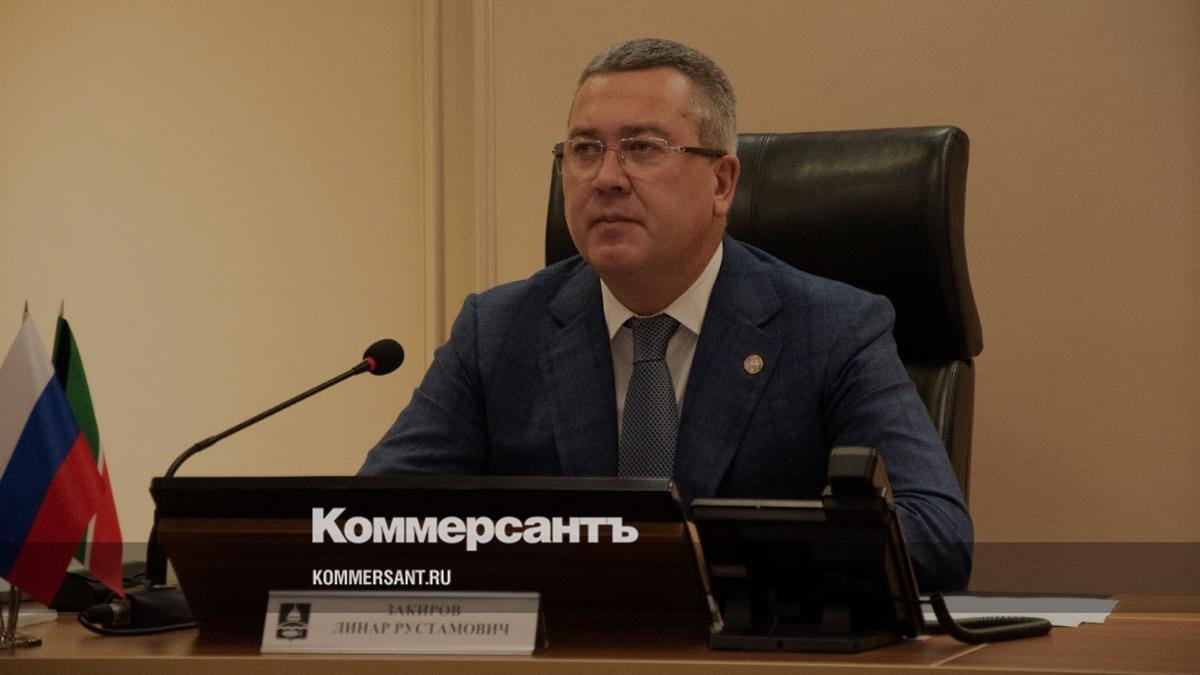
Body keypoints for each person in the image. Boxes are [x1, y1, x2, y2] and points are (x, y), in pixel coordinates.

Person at [360, 38, 972, 591]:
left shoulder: (833, 328)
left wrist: (701, 557)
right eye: (584, 149)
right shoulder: (496, 330)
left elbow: (936, 534)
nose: (606, 178)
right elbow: (368, 524)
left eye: (642, 148)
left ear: (722, 183)